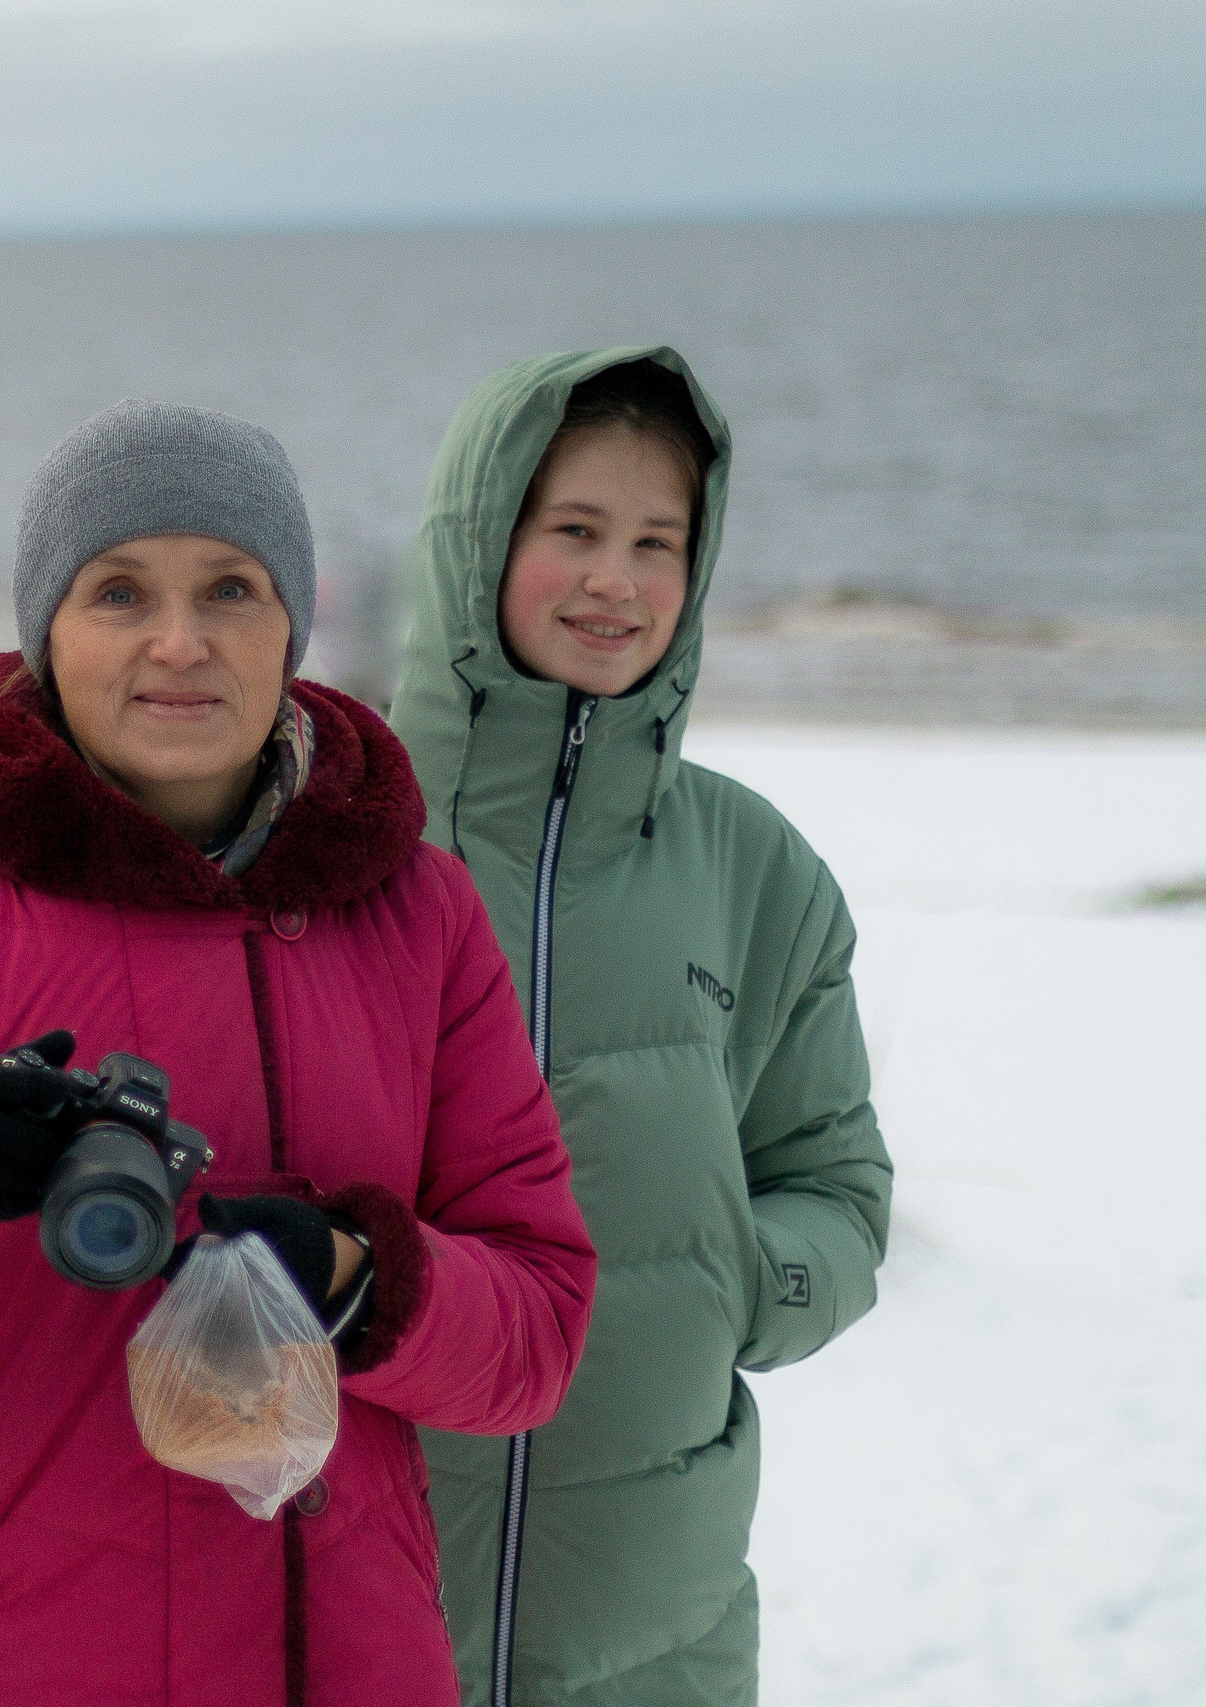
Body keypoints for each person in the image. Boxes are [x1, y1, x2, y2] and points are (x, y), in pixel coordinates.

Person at [0, 399, 597, 1705]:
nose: (180, 641)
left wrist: (355, 1275)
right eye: (118, 593)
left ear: (294, 624)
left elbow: (540, 1332)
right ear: (48, 631)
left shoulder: (415, 917)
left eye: (231, 587)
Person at [391, 349, 895, 1707]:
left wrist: (742, 1278)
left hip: (650, 1638)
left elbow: (840, 1196)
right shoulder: (346, 842)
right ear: (481, 544)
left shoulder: (754, 870)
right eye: (574, 532)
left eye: (656, 543)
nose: (615, 581)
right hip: (360, 1610)